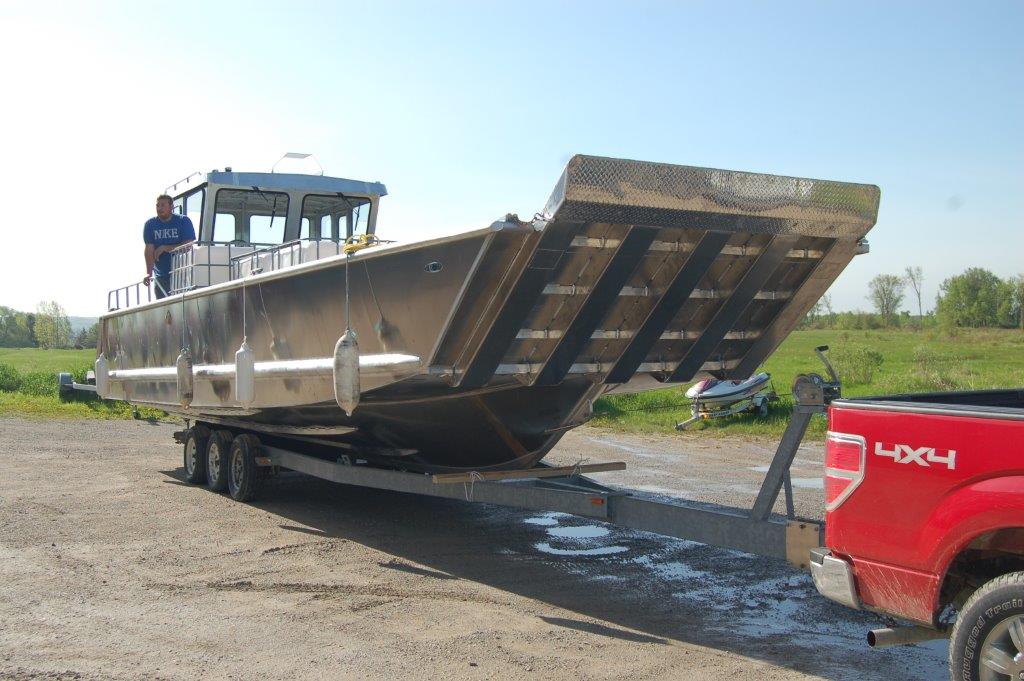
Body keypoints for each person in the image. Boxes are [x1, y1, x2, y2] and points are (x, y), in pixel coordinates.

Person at [143, 194, 195, 299]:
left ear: (171, 206)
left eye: (163, 205)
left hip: (183, 274)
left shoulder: (183, 221)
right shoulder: (150, 224)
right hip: (161, 276)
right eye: (157, 206)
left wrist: (166, 248)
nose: (160, 208)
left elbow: (189, 245)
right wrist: (148, 273)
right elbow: (149, 249)